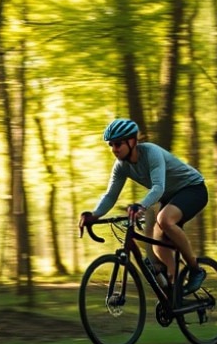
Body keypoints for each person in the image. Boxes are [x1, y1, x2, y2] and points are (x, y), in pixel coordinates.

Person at [79, 118, 209, 294]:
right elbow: (110, 196)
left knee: (164, 219)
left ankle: (196, 270)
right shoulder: (121, 166)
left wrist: (140, 205)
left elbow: (158, 188)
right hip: (170, 197)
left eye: (118, 144)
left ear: (132, 141)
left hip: (193, 189)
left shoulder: (151, 153)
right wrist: (94, 215)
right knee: (157, 245)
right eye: (111, 145)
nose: (114, 149)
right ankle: (176, 289)